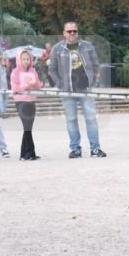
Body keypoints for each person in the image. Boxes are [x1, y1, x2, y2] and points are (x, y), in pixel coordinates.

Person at [49, 21, 105, 158]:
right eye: (69, 31)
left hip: (86, 88)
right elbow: (52, 69)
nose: (72, 33)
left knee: (91, 119)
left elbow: (96, 66)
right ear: (64, 33)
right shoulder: (57, 49)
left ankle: (95, 149)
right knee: (71, 120)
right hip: (67, 91)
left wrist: (94, 82)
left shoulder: (88, 47)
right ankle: (75, 149)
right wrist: (60, 84)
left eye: (75, 31)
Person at [10, 49, 42, 160]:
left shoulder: (33, 71)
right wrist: (26, 86)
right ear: (19, 60)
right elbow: (15, 88)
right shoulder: (15, 72)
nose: (26, 61)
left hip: (31, 101)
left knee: (28, 128)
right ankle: (29, 153)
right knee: (27, 127)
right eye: (23, 59)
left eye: (28, 59)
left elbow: (38, 85)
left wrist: (35, 83)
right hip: (21, 101)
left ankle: (25, 154)